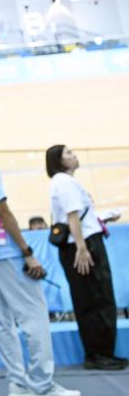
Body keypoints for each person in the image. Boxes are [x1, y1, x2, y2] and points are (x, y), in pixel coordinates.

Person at [0, 119, 81, 396]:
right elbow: (3, 211)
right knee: (34, 315)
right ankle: (42, 385)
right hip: (5, 251)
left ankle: (17, 383)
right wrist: (27, 251)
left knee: (4, 319)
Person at [47, 144, 127, 371]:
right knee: (95, 299)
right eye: (68, 153)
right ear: (58, 161)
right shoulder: (64, 182)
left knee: (94, 298)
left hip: (82, 242)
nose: (74, 155)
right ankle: (98, 354)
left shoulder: (64, 182)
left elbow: (79, 216)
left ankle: (101, 352)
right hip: (82, 245)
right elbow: (73, 217)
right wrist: (82, 249)